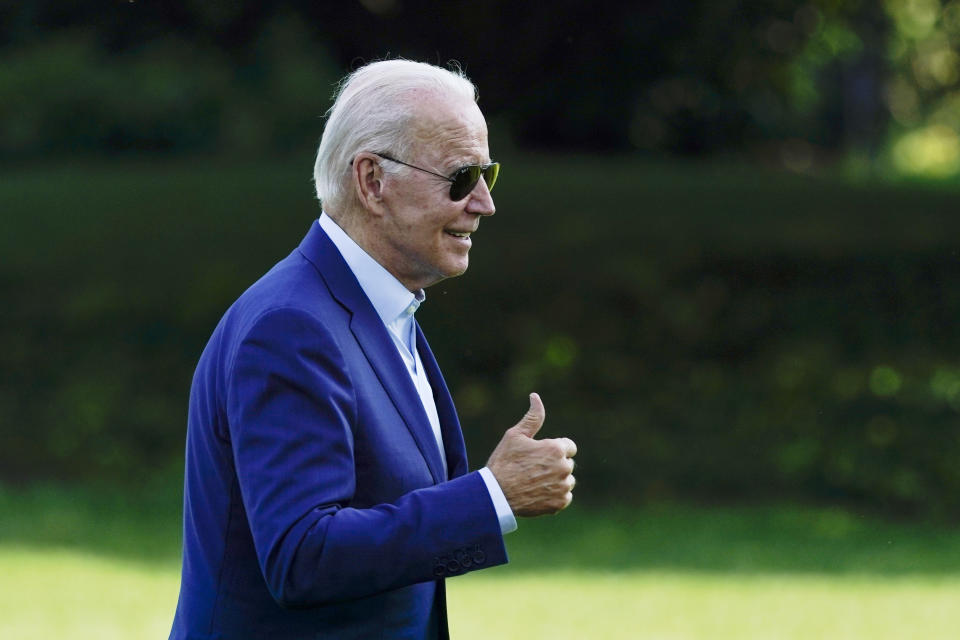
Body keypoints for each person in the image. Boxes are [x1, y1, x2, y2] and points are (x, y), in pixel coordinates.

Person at [169, 59, 577, 640]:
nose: (484, 203)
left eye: (490, 175)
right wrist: (493, 497)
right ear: (372, 182)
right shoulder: (291, 327)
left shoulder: (380, 307)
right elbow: (302, 558)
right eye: (461, 178)